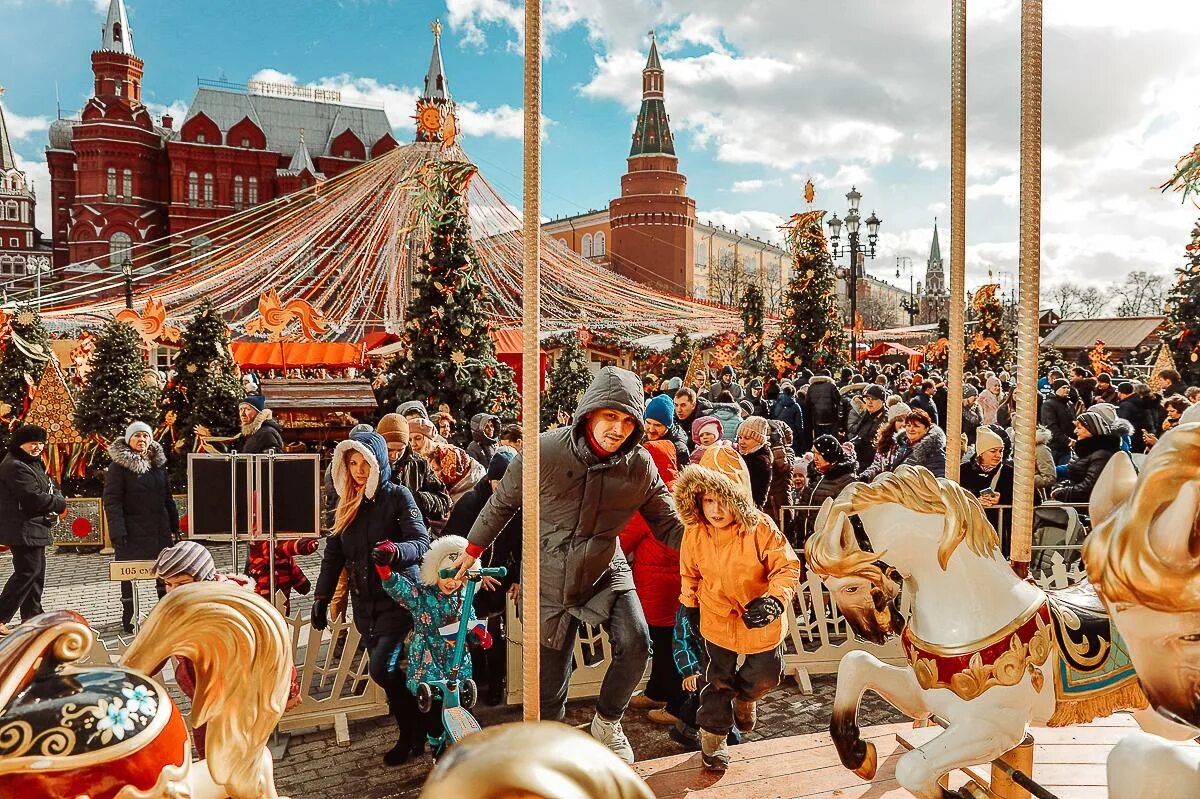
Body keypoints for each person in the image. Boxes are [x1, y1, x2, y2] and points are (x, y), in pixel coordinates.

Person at [453, 366, 684, 764]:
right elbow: (501, 504)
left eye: (629, 421)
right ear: (589, 413)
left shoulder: (639, 466)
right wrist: (471, 551)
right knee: (549, 686)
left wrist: (714, 544)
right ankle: (554, 753)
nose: (619, 429)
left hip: (604, 567)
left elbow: (668, 523)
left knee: (636, 642)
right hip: (549, 576)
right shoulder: (542, 453)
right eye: (610, 416)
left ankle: (607, 722)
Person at [675, 445, 801, 771]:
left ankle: (746, 699)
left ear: (739, 497)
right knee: (716, 680)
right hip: (715, 614)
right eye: (708, 500)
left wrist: (775, 600)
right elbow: (690, 572)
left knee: (767, 674)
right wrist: (690, 604)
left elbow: (786, 567)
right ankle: (714, 740)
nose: (716, 510)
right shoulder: (695, 531)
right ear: (698, 500)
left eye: (724, 500)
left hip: (758, 614)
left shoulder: (760, 528)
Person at [312, 431, 431, 765]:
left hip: (397, 596)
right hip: (364, 603)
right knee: (388, 672)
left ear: (379, 461)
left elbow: (421, 541)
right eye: (353, 462)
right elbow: (333, 554)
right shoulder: (344, 501)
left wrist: (395, 552)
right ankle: (418, 725)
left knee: (381, 668)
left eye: (366, 461)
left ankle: (411, 731)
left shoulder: (397, 496)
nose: (360, 469)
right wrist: (321, 595)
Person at [152, 540, 301, 756]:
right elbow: (153, 654)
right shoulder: (178, 612)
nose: (173, 592)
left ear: (204, 579)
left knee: (241, 760)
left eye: (181, 584)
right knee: (209, 761)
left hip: (239, 701)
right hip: (202, 704)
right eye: (168, 584)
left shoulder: (236, 609)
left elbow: (272, 648)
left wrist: (289, 688)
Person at [374, 536, 498, 750]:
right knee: (433, 714)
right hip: (428, 664)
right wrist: (383, 567)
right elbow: (400, 589)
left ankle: (462, 750)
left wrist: (479, 635)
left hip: (457, 665)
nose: (452, 582)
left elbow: (470, 626)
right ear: (434, 571)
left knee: (459, 711)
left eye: (458, 576)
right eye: (446, 574)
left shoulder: (464, 599)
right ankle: (436, 747)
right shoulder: (422, 596)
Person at [444, 448, 520, 704]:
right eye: (499, 482)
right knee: (473, 630)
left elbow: (523, 544)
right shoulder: (470, 503)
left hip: (501, 578)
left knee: (495, 635)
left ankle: (496, 683)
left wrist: (519, 577)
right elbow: (454, 542)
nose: (503, 487)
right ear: (490, 479)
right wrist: (478, 571)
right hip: (472, 579)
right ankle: (478, 679)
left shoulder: (518, 503)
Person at [620, 440, 684, 723]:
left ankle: (675, 703)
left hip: (656, 585)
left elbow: (624, 540)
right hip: (677, 582)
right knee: (668, 642)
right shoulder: (680, 492)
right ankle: (658, 690)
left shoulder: (649, 497)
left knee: (666, 644)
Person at [104, 421, 178, 632]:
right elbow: (112, 501)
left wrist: (174, 524)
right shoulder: (118, 467)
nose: (142, 440)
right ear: (129, 440)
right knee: (130, 575)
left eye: (145, 436)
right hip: (131, 531)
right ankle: (130, 616)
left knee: (165, 573)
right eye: (137, 436)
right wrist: (117, 531)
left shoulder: (158, 465)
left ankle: (166, 614)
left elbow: (167, 497)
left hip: (159, 530)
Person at [0, 425, 66, 635]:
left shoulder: (31, 462)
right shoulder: (15, 465)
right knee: (27, 572)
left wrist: (56, 497)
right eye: (32, 443)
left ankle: (33, 616)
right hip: (23, 527)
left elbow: (48, 487)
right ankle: (2, 616)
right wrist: (58, 503)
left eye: (40, 443)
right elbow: (32, 498)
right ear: (21, 443)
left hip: (35, 526)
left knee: (36, 573)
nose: (37, 447)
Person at [376, 413, 451, 525]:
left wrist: (417, 499)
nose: (394, 456)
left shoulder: (419, 463)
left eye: (400, 450)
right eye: (389, 450)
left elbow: (444, 502)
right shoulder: (370, 464)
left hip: (414, 530)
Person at [792, 435, 858, 548]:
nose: (815, 458)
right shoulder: (816, 476)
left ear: (829, 454)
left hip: (828, 544)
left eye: (819, 454)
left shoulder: (846, 480)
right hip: (809, 540)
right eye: (814, 453)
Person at [958, 425, 1015, 553]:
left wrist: (1003, 498)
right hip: (971, 530)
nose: (998, 455)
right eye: (993, 451)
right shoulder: (963, 471)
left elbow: (1034, 498)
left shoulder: (1009, 472)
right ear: (981, 452)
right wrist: (975, 500)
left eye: (1000, 451)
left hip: (999, 532)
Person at [1049, 411, 1121, 506]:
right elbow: (1075, 479)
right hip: (1078, 501)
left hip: (1090, 506)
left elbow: (1089, 488)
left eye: (1079, 428)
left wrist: (1061, 493)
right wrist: (1059, 488)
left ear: (1092, 429)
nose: (1075, 431)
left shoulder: (1101, 455)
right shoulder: (1085, 450)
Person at [410, 417, 485, 508]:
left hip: (468, 489)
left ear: (428, 439)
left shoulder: (447, 454)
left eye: (418, 438)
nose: (413, 444)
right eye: (410, 440)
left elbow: (443, 487)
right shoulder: (415, 458)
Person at [858, 402, 911, 482]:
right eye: (899, 420)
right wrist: (866, 476)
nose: (904, 424)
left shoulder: (912, 443)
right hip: (884, 485)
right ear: (892, 423)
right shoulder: (886, 441)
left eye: (907, 421)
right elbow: (877, 465)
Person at [763, 420, 797, 528]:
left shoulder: (789, 452)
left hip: (781, 501)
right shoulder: (763, 452)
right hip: (766, 501)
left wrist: (777, 446)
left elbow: (784, 468)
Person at [848, 385, 888, 471]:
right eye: (867, 398)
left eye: (873, 399)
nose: (869, 402)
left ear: (882, 401)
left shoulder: (886, 419)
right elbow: (860, 434)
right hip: (860, 460)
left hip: (873, 464)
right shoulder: (867, 415)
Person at [735, 417, 772, 510]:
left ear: (759, 440)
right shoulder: (743, 456)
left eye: (747, 438)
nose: (741, 441)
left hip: (749, 510)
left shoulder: (760, 462)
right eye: (740, 437)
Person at [643, 393, 690, 468]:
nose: (651, 429)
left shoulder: (678, 449)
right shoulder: (640, 438)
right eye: (648, 423)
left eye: (657, 425)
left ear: (668, 426)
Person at [1040, 379, 1075, 465]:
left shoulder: (1069, 404)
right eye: (1064, 387)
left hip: (1066, 447)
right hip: (1054, 446)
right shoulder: (1049, 404)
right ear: (1056, 389)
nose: (1067, 390)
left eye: (1068, 387)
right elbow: (1051, 426)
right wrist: (1067, 440)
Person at [803, 370, 841, 444]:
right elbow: (838, 400)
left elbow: (807, 403)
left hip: (817, 417)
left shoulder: (811, 387)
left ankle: (820, 453)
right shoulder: (831, 386)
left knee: (819, 439)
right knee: (832, 439)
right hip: (831, 416)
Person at [770, 380, 804, 448]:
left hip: (778, 431)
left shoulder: (776, 403)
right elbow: (799, 424)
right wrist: (802, 440)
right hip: (791, 433)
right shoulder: (795, 406)